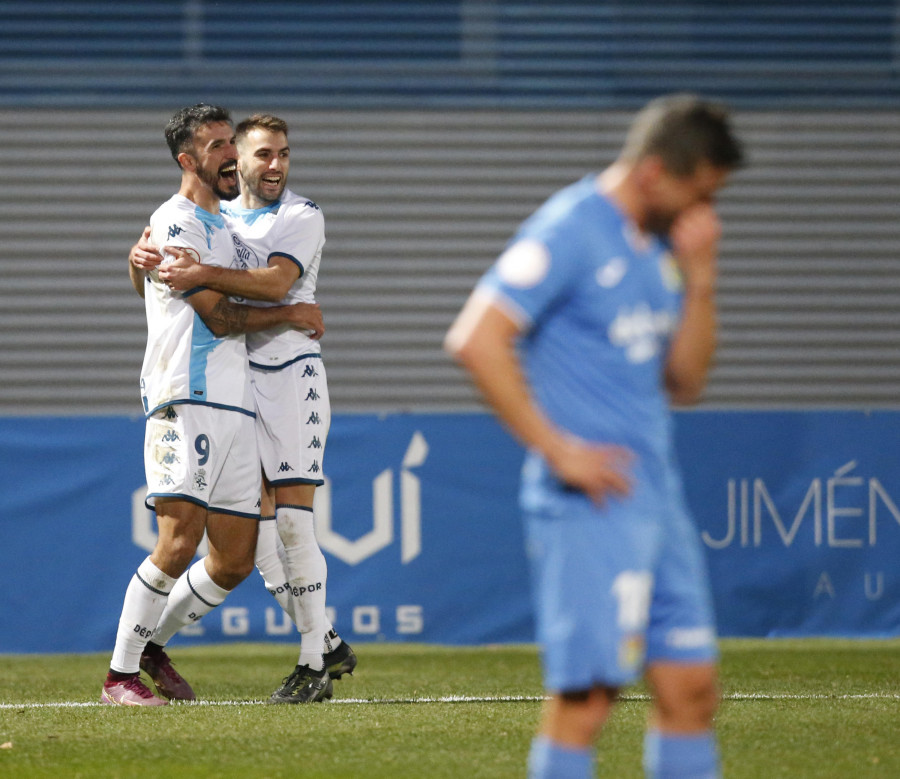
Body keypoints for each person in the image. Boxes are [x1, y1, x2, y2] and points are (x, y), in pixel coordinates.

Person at [444, 94, 743, 778]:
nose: (705, 213)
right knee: (587, 701)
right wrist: (559, 450)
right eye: (698, 193)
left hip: (655, 498)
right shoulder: (570, 228)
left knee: (691, 691)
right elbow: (477, 338)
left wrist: (701, 282)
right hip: (590, 502)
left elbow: (686, 381)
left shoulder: (663, 246)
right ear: (654, 174)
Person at [130, 113, 356, 704]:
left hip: (289, 377)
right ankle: (323, 638)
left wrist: (197, 271)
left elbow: (277, 283)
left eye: (282, 153)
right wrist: (141, 264)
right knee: (241, 549)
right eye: (260, 154)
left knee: (291, 521)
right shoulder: (214, 215)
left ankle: (315, 661)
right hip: (233, 382)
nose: (273, 164)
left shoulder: (300, 216)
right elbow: (172, 285)